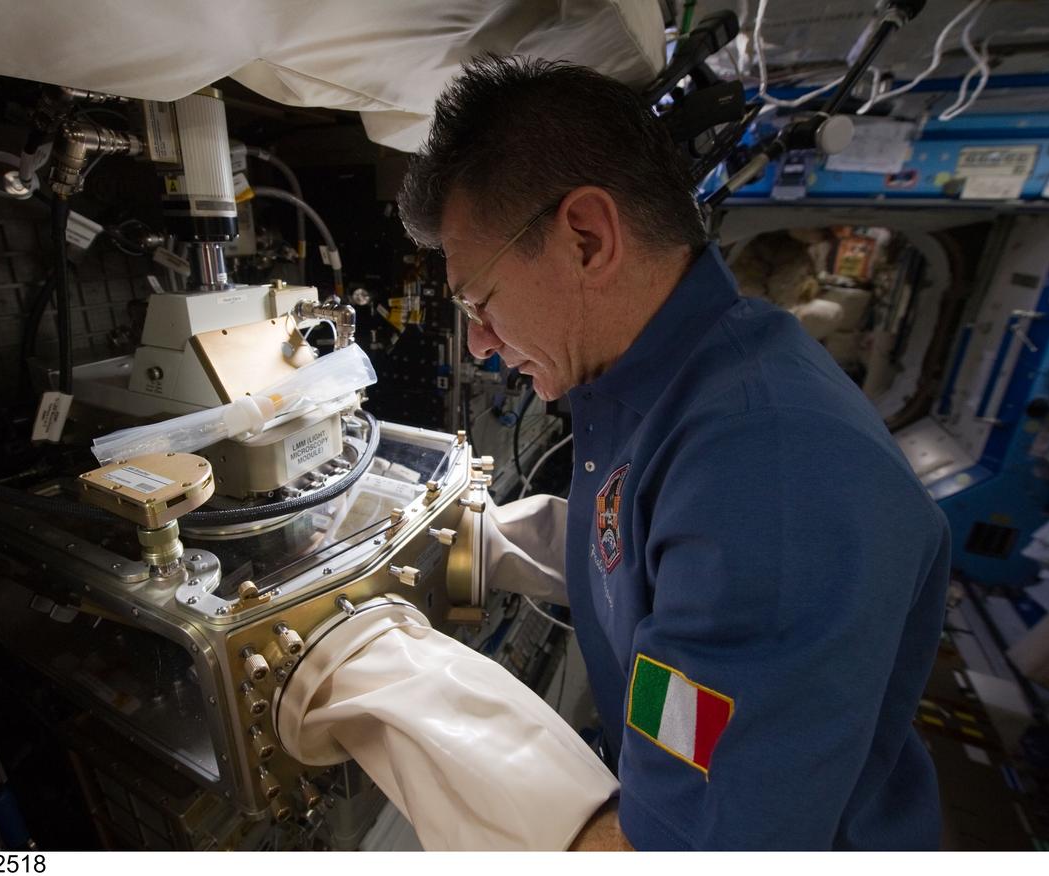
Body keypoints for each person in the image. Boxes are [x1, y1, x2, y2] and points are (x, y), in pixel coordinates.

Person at [396, 55, 950, 851]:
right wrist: (484, 544)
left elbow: (691, 847)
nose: (480, 344)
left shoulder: (770, 467)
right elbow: (646, 551)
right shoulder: (664, 385)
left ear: (587, 238)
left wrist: (423, 736)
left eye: (479, 302)